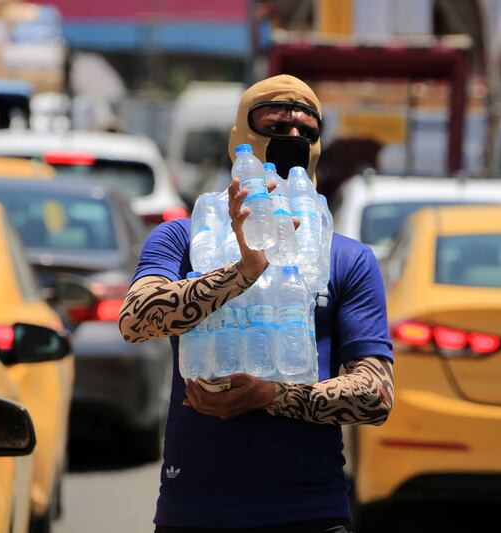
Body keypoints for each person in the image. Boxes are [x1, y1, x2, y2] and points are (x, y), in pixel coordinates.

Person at [119, 75, 394, 533]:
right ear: (241, 141)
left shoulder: (347, 258)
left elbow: (376, 396)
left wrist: (272, 396)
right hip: (195, 510)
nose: (293, 139)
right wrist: (243, 272)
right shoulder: (182, 239)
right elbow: (135, 321)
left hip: (310, 511)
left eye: (307, 131)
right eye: (275, 126)